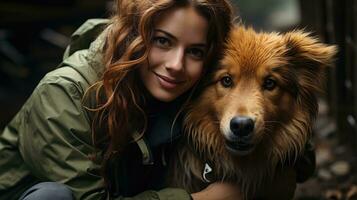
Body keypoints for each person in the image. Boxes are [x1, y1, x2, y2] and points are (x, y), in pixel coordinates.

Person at [0, 0, 239, 199]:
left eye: (195, 51)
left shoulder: (183, 94)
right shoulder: (63, 94)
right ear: (132, 35)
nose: (176, 65)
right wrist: (200, 198)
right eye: (162, 41)